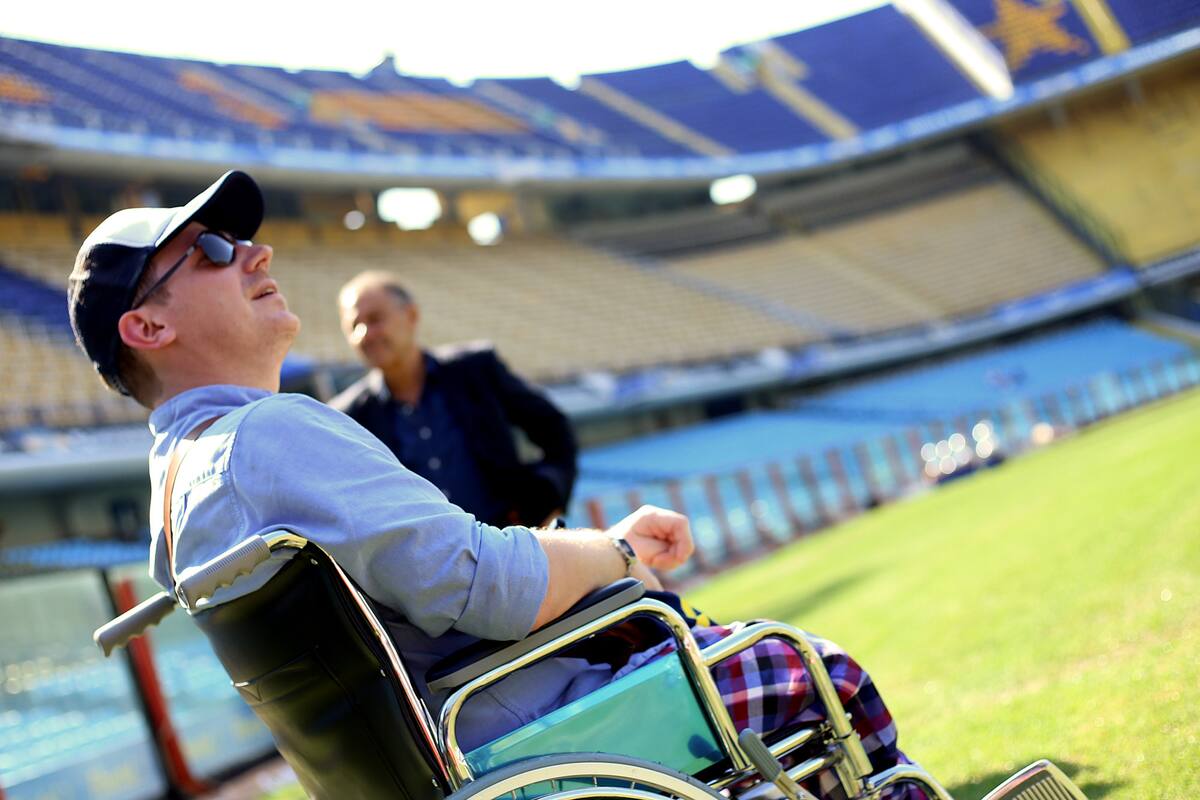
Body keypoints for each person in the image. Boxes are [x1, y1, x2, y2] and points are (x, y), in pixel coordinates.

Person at [68, 171, 922, 800]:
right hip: (532, 742)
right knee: (806, 667)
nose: (254, 250)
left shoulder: (179, 492)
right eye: (212, 250)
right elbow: (488, 587)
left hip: (450, 757)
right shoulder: (269, 431)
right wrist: (616, 549)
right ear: (148, 325)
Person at [331, 271, 577, 528]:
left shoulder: (476, 369)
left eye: (375, 319)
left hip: (513, 546)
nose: (365, 334)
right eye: (353, 326)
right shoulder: (348, 416)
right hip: (424, 566)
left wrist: (548, 494)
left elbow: (553, 427)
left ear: (412, 315)